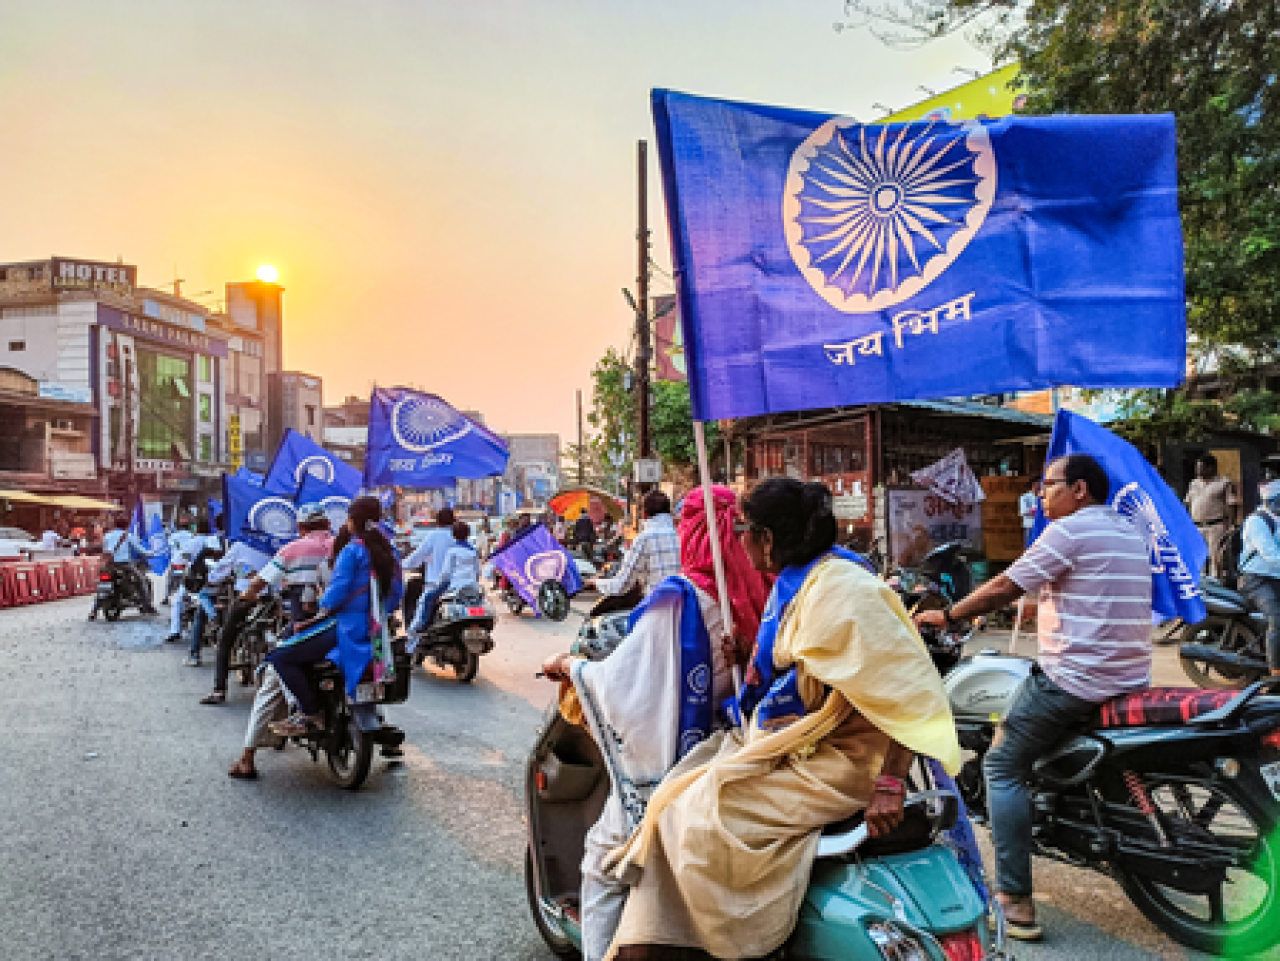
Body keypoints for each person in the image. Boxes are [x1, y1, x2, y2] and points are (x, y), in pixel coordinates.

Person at [591, 479, 960, 960]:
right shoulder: (804, 580)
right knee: (670, 796)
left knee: (700, 820)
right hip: (789, 745)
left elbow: (908, 690)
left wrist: (891, 782)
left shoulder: (843, 589)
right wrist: (748, 654)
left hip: (836, 763)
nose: (738, 539)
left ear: (767, 539)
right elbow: (810, 668)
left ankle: (728, 943)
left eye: (745, 530)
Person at [916, 453, 1152, 940]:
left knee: (1002, 764)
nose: (1042, 495)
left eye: (1049, 485)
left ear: (1080, 489)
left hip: (1077, 680)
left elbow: (1004, 584)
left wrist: (951, 615)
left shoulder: (1069, 531)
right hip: (1128, 676)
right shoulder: (1128, 531)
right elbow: (1088, 592)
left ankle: (1016, 900)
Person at [540, 486, 771, 961]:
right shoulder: (759, 593)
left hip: (675, 767)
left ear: (692, 529)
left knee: (602, 861)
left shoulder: (681, 599)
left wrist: (572, 667)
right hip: (734, 753)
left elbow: (628, 682)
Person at [267, 495, 403, 737]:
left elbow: (337, 592)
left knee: (280, 657)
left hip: (346, 628)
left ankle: (309, 713)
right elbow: (396, 593)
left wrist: (322, 606)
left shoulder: (352, 551)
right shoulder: (390, 550)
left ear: (352, 521)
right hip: (376, 631)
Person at [199, 505, 335, 706]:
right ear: (327, 524)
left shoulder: (288, 548)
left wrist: (249, 593)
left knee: (228, 637)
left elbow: (256, 581)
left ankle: (219, 689)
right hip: (330, 613)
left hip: (275, 602)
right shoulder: (341, 545)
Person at [588, 490, 680, 618]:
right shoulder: (682, 534)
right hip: (684, 611)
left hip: (657, 612)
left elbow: (622, 585)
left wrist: (595, 583)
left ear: (644, 514)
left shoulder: (644, 538)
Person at [185, 535, 270, 667]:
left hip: (240, 592)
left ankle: (195, 655)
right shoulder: (272, 545)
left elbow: (225, 570)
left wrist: (213, 580)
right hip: (266, 593)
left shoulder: (238, 546)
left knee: (202, 610)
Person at [1237, 479, 1280, 677]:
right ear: (1271, 501)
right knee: (1277, 620)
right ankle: (1275, 673)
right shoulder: (1257, 521)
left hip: (1275, 578)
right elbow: (1270, 554)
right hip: (1256, 580)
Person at [163, 518, 221, 644]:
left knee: (178, 601)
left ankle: (175, 631)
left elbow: (181, 559)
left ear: (197, 529)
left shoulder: (192, 542)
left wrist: (189, 561)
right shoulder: (215, 541)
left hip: (195, 578)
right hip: (217, 578)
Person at [404, 508, 460, 638]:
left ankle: (412, 643)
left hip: (435, 585)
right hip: (459, 586)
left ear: (438, 522)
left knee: (419, 619)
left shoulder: (433, 536)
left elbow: (417, 557)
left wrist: (402, 565)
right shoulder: (460, 537)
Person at [89, 517, 158, 618]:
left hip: (109, 565)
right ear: (126, 526)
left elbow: (105, 550)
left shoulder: (107, 536)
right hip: (124, 565)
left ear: (115, 525)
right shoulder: (127, 536)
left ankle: (93, 611)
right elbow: (139, 549)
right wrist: (151, 554)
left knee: (102, 588)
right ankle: (148, 605)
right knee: (141, 579)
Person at [1185, 453, 1239, 579]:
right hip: (1197, 526)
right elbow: (1188, 502)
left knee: (1216, 558)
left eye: (1201, 467)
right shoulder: (1194, 483)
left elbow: (1231, 504)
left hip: (1216, 526)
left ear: (1211, 468)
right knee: (1199, 557)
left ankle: (1216, 587)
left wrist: (1231, 525)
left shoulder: (1224, 483)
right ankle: (1200, 584)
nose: (1198, 470)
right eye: (1197, 467)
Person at [163, 517, 195, 604]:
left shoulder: (174, 536)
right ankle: (188, 595)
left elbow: (169, 547)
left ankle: (166, 597)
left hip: (176, 561)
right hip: (187, 561)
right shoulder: (192, 536)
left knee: (169, 579)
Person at [1018, 479, 1041, 546]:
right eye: (1038, 484)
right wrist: (1038, 510)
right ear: (1033, 485)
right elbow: (1023, 511)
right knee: (1029, 547)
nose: (1039, 486)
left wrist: (1032, 510)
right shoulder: (1025, 497)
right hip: (1029, 526)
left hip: (1040, 525)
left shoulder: (1042, 496)